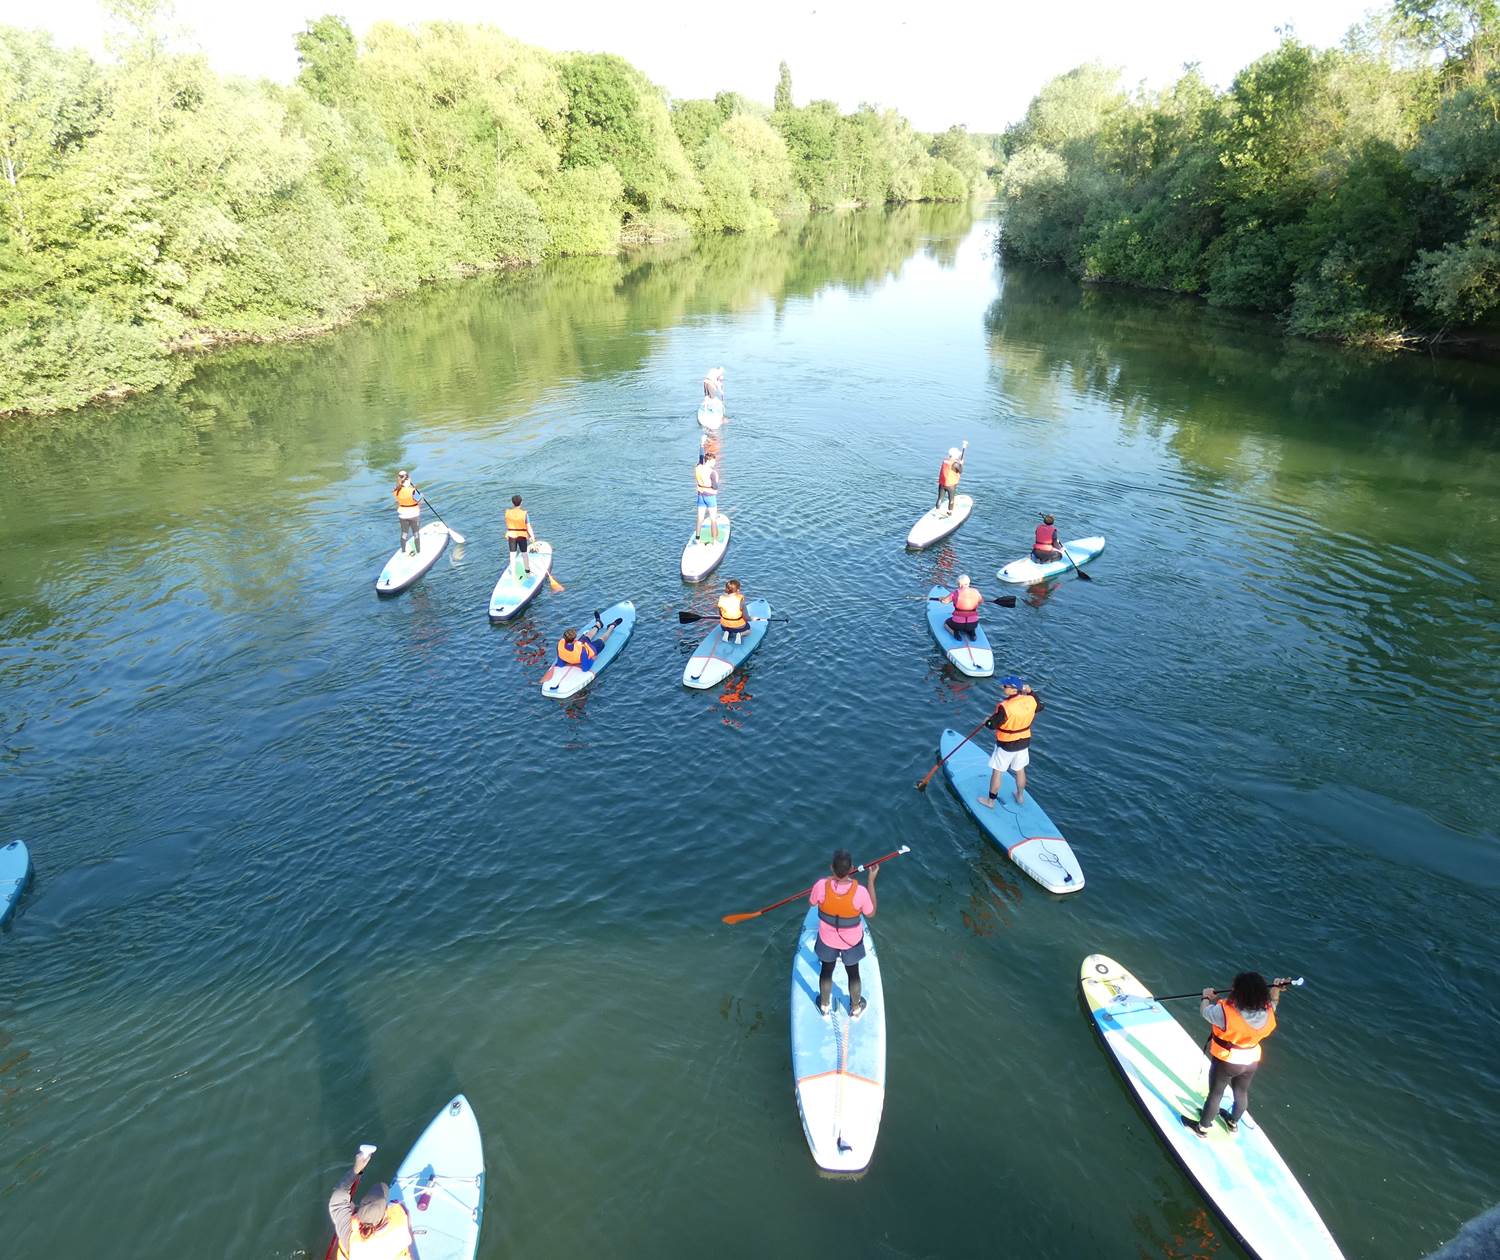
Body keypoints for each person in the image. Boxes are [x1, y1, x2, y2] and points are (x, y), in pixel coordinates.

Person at [1186, 973, 1294, 1137]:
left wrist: (1206, 997)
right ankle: (1232, 1122)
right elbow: (1274, 1001)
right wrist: (1276, 988)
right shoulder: (1268, 1010)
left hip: (1227, 1060)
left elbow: (1205, 1012)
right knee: (1241, 1092)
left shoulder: (1225, 1013)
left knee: (1216, 1094)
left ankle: (1202, 1128)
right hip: (1251, 1060)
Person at [808, 848, 880, 1020]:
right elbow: (871, 913)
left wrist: (826, 882)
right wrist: (871, 881)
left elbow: (812, 903)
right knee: (853, 972)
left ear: (831, 868)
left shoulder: (820, 886)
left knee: (826, 970)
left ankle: (824, 1005)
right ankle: (856, 1008)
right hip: (851, 942)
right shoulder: (861, 892)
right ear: (851, 869)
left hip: (827, 940)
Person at [328, 1146, 413, 1259]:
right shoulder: (400, 1219)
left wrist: (356, 1171)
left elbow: (338, 1198)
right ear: (385, 1213)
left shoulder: (349, 1235)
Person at [978, 675, 1042, 807]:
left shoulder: (1005, 707)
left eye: (1005, 686)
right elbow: (1040, 707)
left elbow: (992, 725)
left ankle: (990, 801)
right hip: (1024, 742)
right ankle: (1020, 796)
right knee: (1020, 770)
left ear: (1014, 690)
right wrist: (1030, 691)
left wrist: (986, 722)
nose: (1002, 687)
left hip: (1006, 745)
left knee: (997, 772)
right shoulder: (1031, 700)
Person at [542, 612, 623, 683]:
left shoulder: (560, 644)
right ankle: (611, 627)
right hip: (591, 649)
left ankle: (598, 624)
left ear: (564, 638)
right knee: (602, 639)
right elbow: (585, 668)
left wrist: (563, 663)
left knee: (587, 636)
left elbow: (560, 663)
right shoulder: (581, 649)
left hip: (580, 648)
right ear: (574, 639)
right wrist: (592, 659)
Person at [939, 574, 984, 640]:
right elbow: (981, 602)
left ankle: (955, 633)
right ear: (968, 583)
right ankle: (972, 634)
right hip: (973, 624)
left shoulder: (955, 593)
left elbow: (944, 601)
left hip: (958, 624)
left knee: (946, 623)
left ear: (959, 584)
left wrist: (941, 599)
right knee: (970, 625)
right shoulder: (976, 592)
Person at [504, 494, 535, 578]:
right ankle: (528, 573)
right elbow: (528, 526)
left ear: (512, 503)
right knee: (524, 554)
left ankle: (513, 574)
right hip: (521, 536)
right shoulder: (524, 514)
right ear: (521, 502)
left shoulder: (507, 512)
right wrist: (532, 536)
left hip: (511, 535)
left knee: (512, 555)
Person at [694, 454, 721, 543]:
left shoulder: (698, 468)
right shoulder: (713, 473)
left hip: (700, 496)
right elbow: (715, 488)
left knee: (700, 518)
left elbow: (700, 456)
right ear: (709, 461)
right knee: (713, 519)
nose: (714, 463)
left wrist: (702, 445)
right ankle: (714, 541)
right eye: (713, 461)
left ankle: (697, 539)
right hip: (710, 498)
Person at [393, 471, 421, 554]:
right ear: (408, 479)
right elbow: (419, 500)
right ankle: (418, 551)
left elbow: (400, 494)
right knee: (416, 533)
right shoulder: (413, 491)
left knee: (404, 533)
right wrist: (418, 493)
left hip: (402, 515)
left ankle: (403, 551)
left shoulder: (396, 491)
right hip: (414, 515)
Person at [936, 442, 967, 515]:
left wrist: (959, 463)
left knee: (940, 498)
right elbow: (961, 471)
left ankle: (937, 511)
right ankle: (949, 512)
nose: (958, 456)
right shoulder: (955, 464)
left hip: (942, 483)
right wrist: (961, 464)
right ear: (955, 455)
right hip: (951, 485)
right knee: (951, 499)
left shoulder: (945, 461)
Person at [718, 578, 750, 644]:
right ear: (738, 590)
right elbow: (746, 618)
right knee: (748, 631)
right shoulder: (740, 600)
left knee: (729, 627)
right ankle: (739, 634)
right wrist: (751, 618)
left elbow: (720, 614)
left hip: (724, 626)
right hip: (738, 626)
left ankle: (727, 633)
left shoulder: (721, 598)